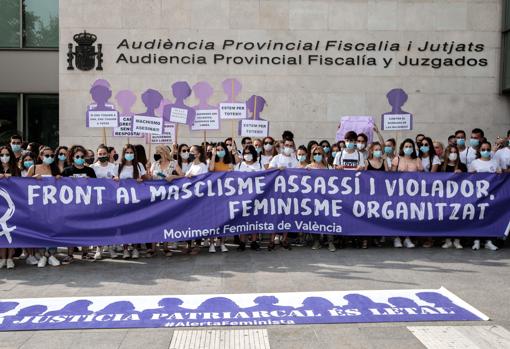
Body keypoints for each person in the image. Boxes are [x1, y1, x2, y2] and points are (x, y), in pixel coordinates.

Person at [27, 146, 62, 267]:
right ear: (41, 156)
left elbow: (61, 187)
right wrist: (33, 178)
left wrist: (59, 179)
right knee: (40, 229)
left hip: (52, 206)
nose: (50, 158)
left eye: (52, 156)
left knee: (52, 229)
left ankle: (51, 255)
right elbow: (23, 184)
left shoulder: (55, 169)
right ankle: (42, 255)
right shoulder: (34, 168)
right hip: (38, 206)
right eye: (47, 155)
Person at [62, 145, 97, 261]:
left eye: (82, 156)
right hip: (70, 206)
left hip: (86, 206)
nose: (80, 158)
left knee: (85, 229)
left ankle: (85, 253)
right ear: (72, 157)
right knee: (70, 230)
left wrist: (90, 181)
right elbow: (60, 187)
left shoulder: (90, 171)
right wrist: (68, 181)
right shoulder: (67, 171)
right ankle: (70, 254)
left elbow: (97, 187)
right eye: (77, 156)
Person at [148, 145, 183, 257]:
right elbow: (149, 179)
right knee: (153, 222)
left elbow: (183, 176)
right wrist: (148, 171)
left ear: (164, 152)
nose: (157, 153)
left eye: (158, 151)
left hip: (168, 198)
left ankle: (165, 247)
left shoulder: (173, 163)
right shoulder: (155, 164)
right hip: (155, 197)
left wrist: (173, 177)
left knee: (166, 221)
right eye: (156, 151)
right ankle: (153, 247)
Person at [113, 144, 146, 259]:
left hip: (136, 200)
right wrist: (116, 180)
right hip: (123, 201)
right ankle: (126, 249)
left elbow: (147, 179)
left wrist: (141, 180)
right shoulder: (117, 167)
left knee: (136, 225)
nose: (129, 154)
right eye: (127, 152)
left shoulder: (139, 166)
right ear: (123, 154)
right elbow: (111, 183)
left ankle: (136, 248)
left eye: (131, 152)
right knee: (125, 225)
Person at [468, 141, 501, 251]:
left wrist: (499, 173)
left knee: (490, 217)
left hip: (492, 195)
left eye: (487, 149)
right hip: (478, 195)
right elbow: (469, 179)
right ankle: (476, 240)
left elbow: (500, 178)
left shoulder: (495, 162)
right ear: (479, 151)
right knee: (478, 217)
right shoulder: (474, 163)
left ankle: (489, 241)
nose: (485, 151)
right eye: (483, 149)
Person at [391, 139, 423, 248]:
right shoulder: (397, 159)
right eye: (406, 146)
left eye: (410, 146)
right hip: (398, 192)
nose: (408, 148)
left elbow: (422, 175)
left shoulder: (417, 160)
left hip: (412, 192)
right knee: (398, 214)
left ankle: (407, 238)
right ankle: (397, 237)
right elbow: (391, 175)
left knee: (409, 215)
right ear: (402, 148)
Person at [267, 138, 298, 250]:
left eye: (291, 145)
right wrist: (277, 169)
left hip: (289, 192)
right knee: (276, 215)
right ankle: (272, 240)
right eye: (287, 145)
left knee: (287, 216)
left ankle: (284, 240)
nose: (288, 147)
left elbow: (299, 173)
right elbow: (269, 170)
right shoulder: (277, 158)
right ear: (283, 146)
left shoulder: (295, 160)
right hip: (277, 192)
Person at [90, 144, 118, 260]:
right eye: (100, 154)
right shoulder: (92, 167)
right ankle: (99, 248)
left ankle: (110, 247)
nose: (102, 156)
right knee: (98, 225)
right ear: (97, 155)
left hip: (110, 200)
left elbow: (117, 181)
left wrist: (116, 179)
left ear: (108, 154)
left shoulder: (114, 166)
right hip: (97, 201)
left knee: (110, 224)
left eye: (104, 154)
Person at [306, 145, 335, 252]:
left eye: (319, 154)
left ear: (323, 155)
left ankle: (330, 242)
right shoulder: (308, 167)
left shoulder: (328, 168)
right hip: (313, 198)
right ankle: (316, 241)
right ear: (312, 155)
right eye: (315, 154)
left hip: (327, 198)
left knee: (329, 219)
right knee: (315, 219)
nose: (317, 156)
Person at [234, 145, 263, 251]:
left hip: (256, 196)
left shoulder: (259, 165)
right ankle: (242, 242)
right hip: (242, 197)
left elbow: (266, 176)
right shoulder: (239, 165)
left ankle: (254, 242)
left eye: (249, 153)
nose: (247, 155)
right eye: (245, 153)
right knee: (243, 219)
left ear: (254, 154)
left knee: (254, 220)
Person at [208, 142, 234, 253]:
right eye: (217, 150)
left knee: (224, 219)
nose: (219, 151)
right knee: (213, 220)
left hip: (225, 195)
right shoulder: (212, 161)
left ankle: (222, 243)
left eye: (221, 149)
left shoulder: (230, 163)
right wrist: (213, 155)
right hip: (214, 195)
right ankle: (212, 243)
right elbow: (211, 169)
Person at [440, 144, 466, 250]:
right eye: (451, 152)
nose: (453, 154)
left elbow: (470, 180)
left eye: (455, 152)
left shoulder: (462, 166)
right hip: (444, 197)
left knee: (457, 218)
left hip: (458, 197)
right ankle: (447, 240)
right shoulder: (442, 167)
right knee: (446, 219)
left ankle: (457, 240)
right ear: (447, 154)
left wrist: (462, 173)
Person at [184, 145, 209, 255]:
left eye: (192, 152)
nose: (190, 153)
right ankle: (189, 244)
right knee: (188, 221)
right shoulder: (190, 165)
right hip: (189, 198)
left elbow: (205, 179)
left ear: (198, 154)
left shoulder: (203, 166)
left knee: (197, 222)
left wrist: (194, 177)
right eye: (189, 151)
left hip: (198, 199)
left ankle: (197, 244)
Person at [0, 146, 21, 269]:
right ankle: (2, 258)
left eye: (7, 154)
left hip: (12, 205)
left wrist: (12, 179)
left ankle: (10, 258)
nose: (4, 157)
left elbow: (21, 185)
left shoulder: (15, 169)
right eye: (2, 155)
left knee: (12, 232)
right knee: (1, 232)